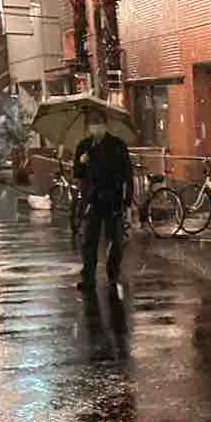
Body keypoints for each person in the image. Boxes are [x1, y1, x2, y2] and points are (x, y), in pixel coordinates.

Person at [74, 109, 133, 291]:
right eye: (92, 123)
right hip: (92, 200)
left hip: (113, 199)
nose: (96, 127)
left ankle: (113, 275)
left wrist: (127, 202)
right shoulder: (84, 146)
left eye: (99, 123)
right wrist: (82, 162)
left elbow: (127, 174)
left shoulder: (117, 145)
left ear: (105, 125)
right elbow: (77, 173)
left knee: (114, 240)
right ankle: (88, 277)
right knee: (89, 240)